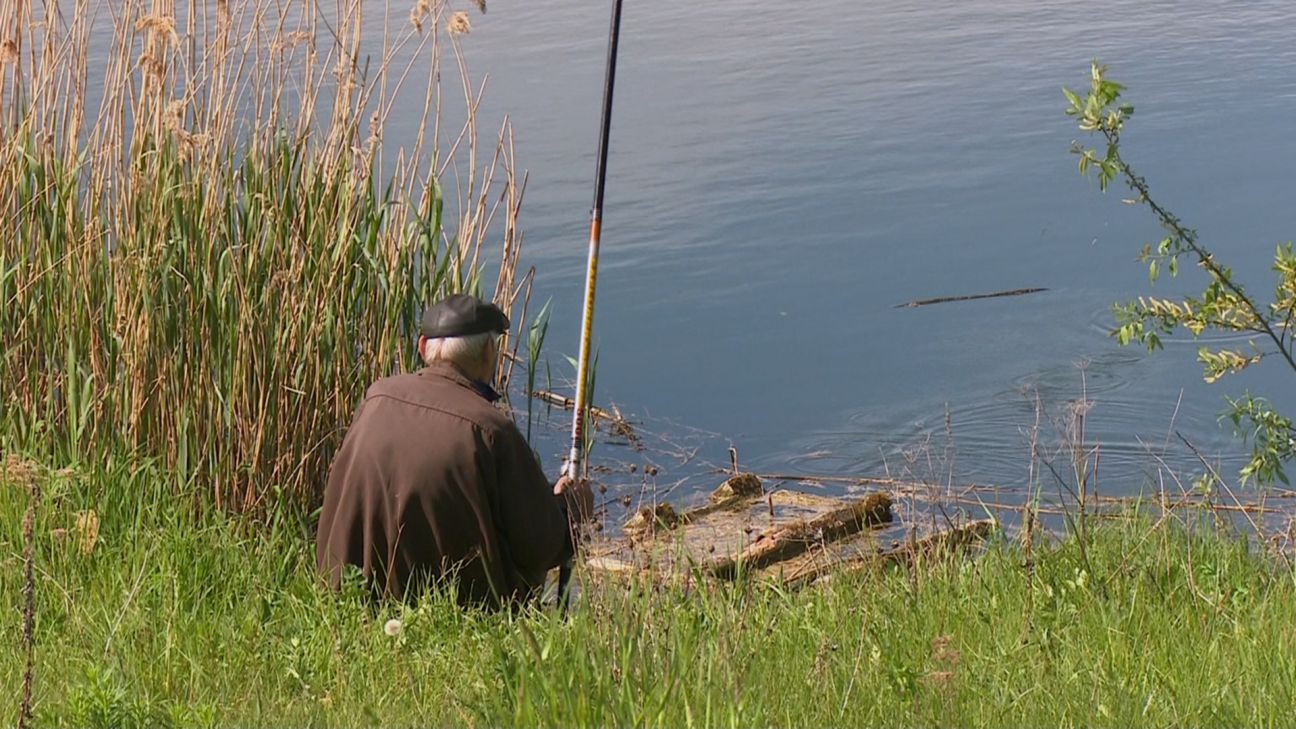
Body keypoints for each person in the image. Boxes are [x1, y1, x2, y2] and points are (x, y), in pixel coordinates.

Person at [316, 293, 592, 607]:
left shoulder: (375, 399)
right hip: (455, 611)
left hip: (352, 599)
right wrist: (572, 510)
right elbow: (542, 545)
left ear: (423, 347)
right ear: (489, 351)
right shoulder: (491, 429)